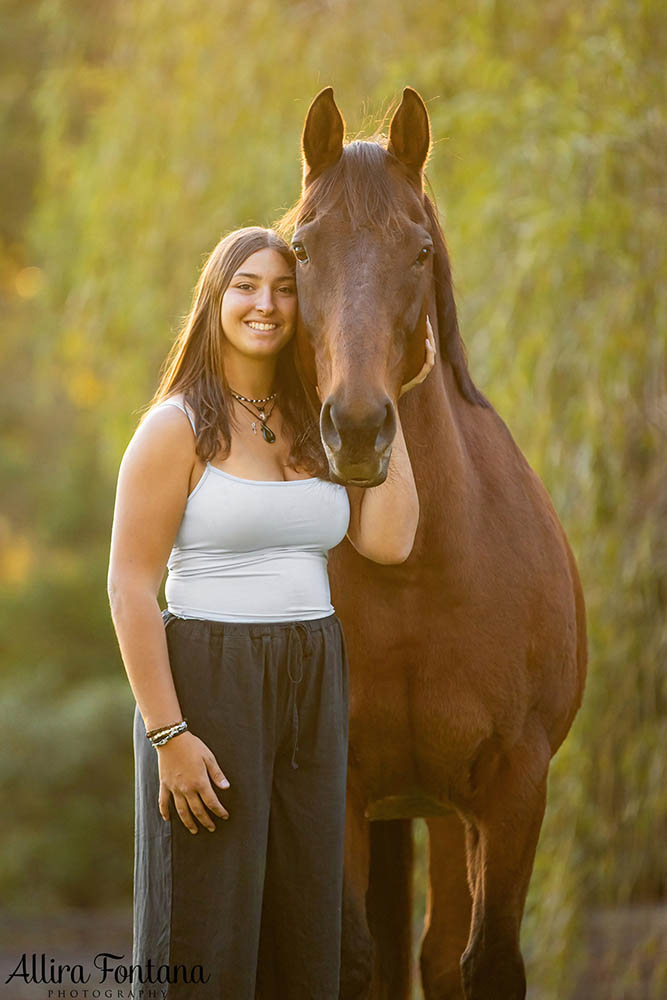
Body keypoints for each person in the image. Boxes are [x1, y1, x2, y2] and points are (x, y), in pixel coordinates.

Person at [107, 226, 434, 999]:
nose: (266, 303)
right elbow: (128, 586)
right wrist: (169, 734)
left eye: (285, 289)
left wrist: (385, 394)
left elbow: (388, 541)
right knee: (204, 930)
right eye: (246, 286)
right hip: (208, 684)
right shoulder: (175, 426)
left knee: (304, 924)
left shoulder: (315, 426)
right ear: (214, 298)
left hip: (311, 676)